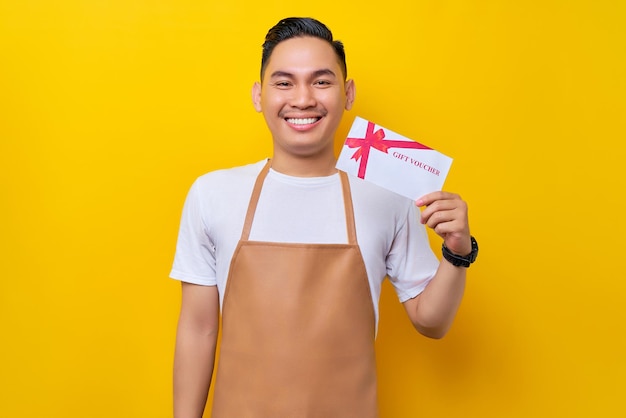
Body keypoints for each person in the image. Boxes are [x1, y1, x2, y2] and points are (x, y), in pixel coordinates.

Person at [170, 17, 478, 418]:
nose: (303, 99)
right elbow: (198, 329)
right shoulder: (212, 194)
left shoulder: (388, 197)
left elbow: (431, 321)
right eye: (283, 82)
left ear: (347, 93)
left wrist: (458, 253)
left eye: (321, 81)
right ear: (258, 96)